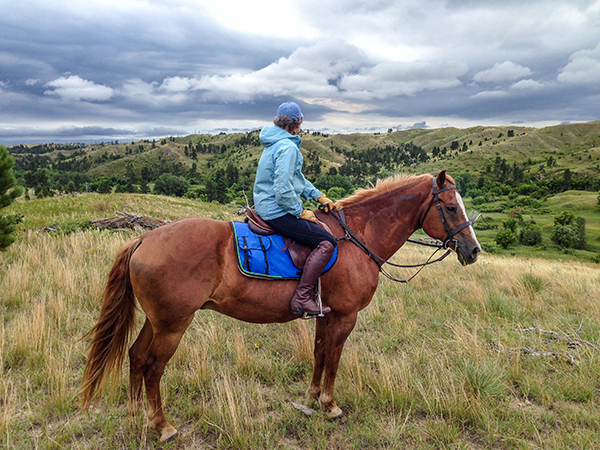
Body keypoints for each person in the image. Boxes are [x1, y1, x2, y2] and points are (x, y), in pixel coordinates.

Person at [253, 102, 337, 316]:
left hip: (264, 205)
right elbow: (283, 190)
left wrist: (318, 195)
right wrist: (300, 211)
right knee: (327, 242)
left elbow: (295, 179)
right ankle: (302, 298)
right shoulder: (288, 147)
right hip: (276, 210)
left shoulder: (275, 142)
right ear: (297, 123)